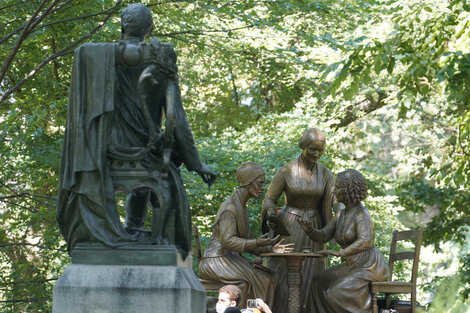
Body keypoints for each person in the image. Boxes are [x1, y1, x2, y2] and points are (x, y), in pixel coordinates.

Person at [56, 3, 216, 257]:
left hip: (105, 152)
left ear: (123, 26)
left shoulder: (96, 57)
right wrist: (196, 164)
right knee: (167, 166)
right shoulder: (161, 58)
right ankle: (137, 227)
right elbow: (179, 119)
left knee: (158, 164)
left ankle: (132, 227)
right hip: (147, 149)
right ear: (149, 28)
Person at [199, 162, 294, 310]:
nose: (263, 187)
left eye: (263, 184)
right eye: (259, 183)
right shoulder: (230, 208)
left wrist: (270, 248)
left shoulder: (241, 206)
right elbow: (228, 241)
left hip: (230, 258)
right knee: (262, 280)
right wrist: (256, 242)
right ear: (247, 182)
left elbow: (247, 240)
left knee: (270, 278)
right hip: (216, 260)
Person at [262, 127, 337, 312]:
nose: (317, 154)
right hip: (290, 226)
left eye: (320, 150)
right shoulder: (286, 171)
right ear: (303, 147)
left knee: (314, 273)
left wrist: (344, 213)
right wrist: (271, 213)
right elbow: (269, 199)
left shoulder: (326, 174)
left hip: (315, 228)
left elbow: (336, 201)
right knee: (283, 271)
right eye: (312, 149)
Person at [297, 169, 389, 313]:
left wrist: (341, 253)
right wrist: (309, 230)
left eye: (338, 187)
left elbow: (366, 241)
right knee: (318, 282)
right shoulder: (341, 215)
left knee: (336, 292)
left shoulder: (362, 214)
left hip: (369, 266)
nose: (334, 191)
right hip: (352, 264)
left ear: (348, 190)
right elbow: (323, 235)